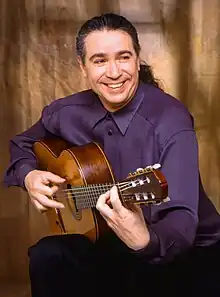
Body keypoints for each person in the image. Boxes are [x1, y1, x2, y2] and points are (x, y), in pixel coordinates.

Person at [3, 12, 220, 297]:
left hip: (186, 253)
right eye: (100, 60)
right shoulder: (65, 112)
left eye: (123, 57)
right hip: (107, 238)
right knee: (48, 257)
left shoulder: (171, 120)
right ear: (83, 67)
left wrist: (145, 240)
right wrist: (28, 175)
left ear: (137, 59)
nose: (114, 72)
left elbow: (181, 220)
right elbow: (22, 144)